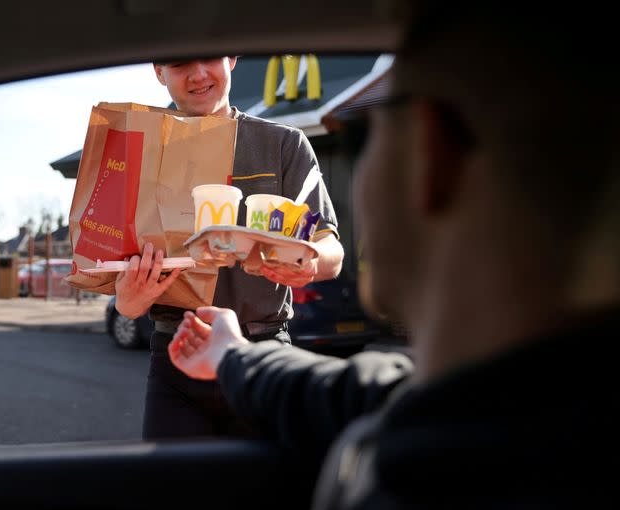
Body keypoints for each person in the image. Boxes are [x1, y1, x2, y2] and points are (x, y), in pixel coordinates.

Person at [168, 2, 618, 507]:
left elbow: (344, 384)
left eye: (367, 133)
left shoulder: (408, 440)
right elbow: (333, 395)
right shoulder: (468, 409)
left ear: (430, 154)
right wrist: (231, 355)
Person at [114, 56, 345, 439]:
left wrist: (310, 263)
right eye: (179, 63)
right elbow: (120, 285)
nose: (199, 73)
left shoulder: (283, 143)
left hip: (264, 353)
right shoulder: (140, 151)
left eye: (210, 58)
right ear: (158, 72)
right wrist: (129, 302)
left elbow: (328, 247)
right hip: (176, 356)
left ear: (232, 58)